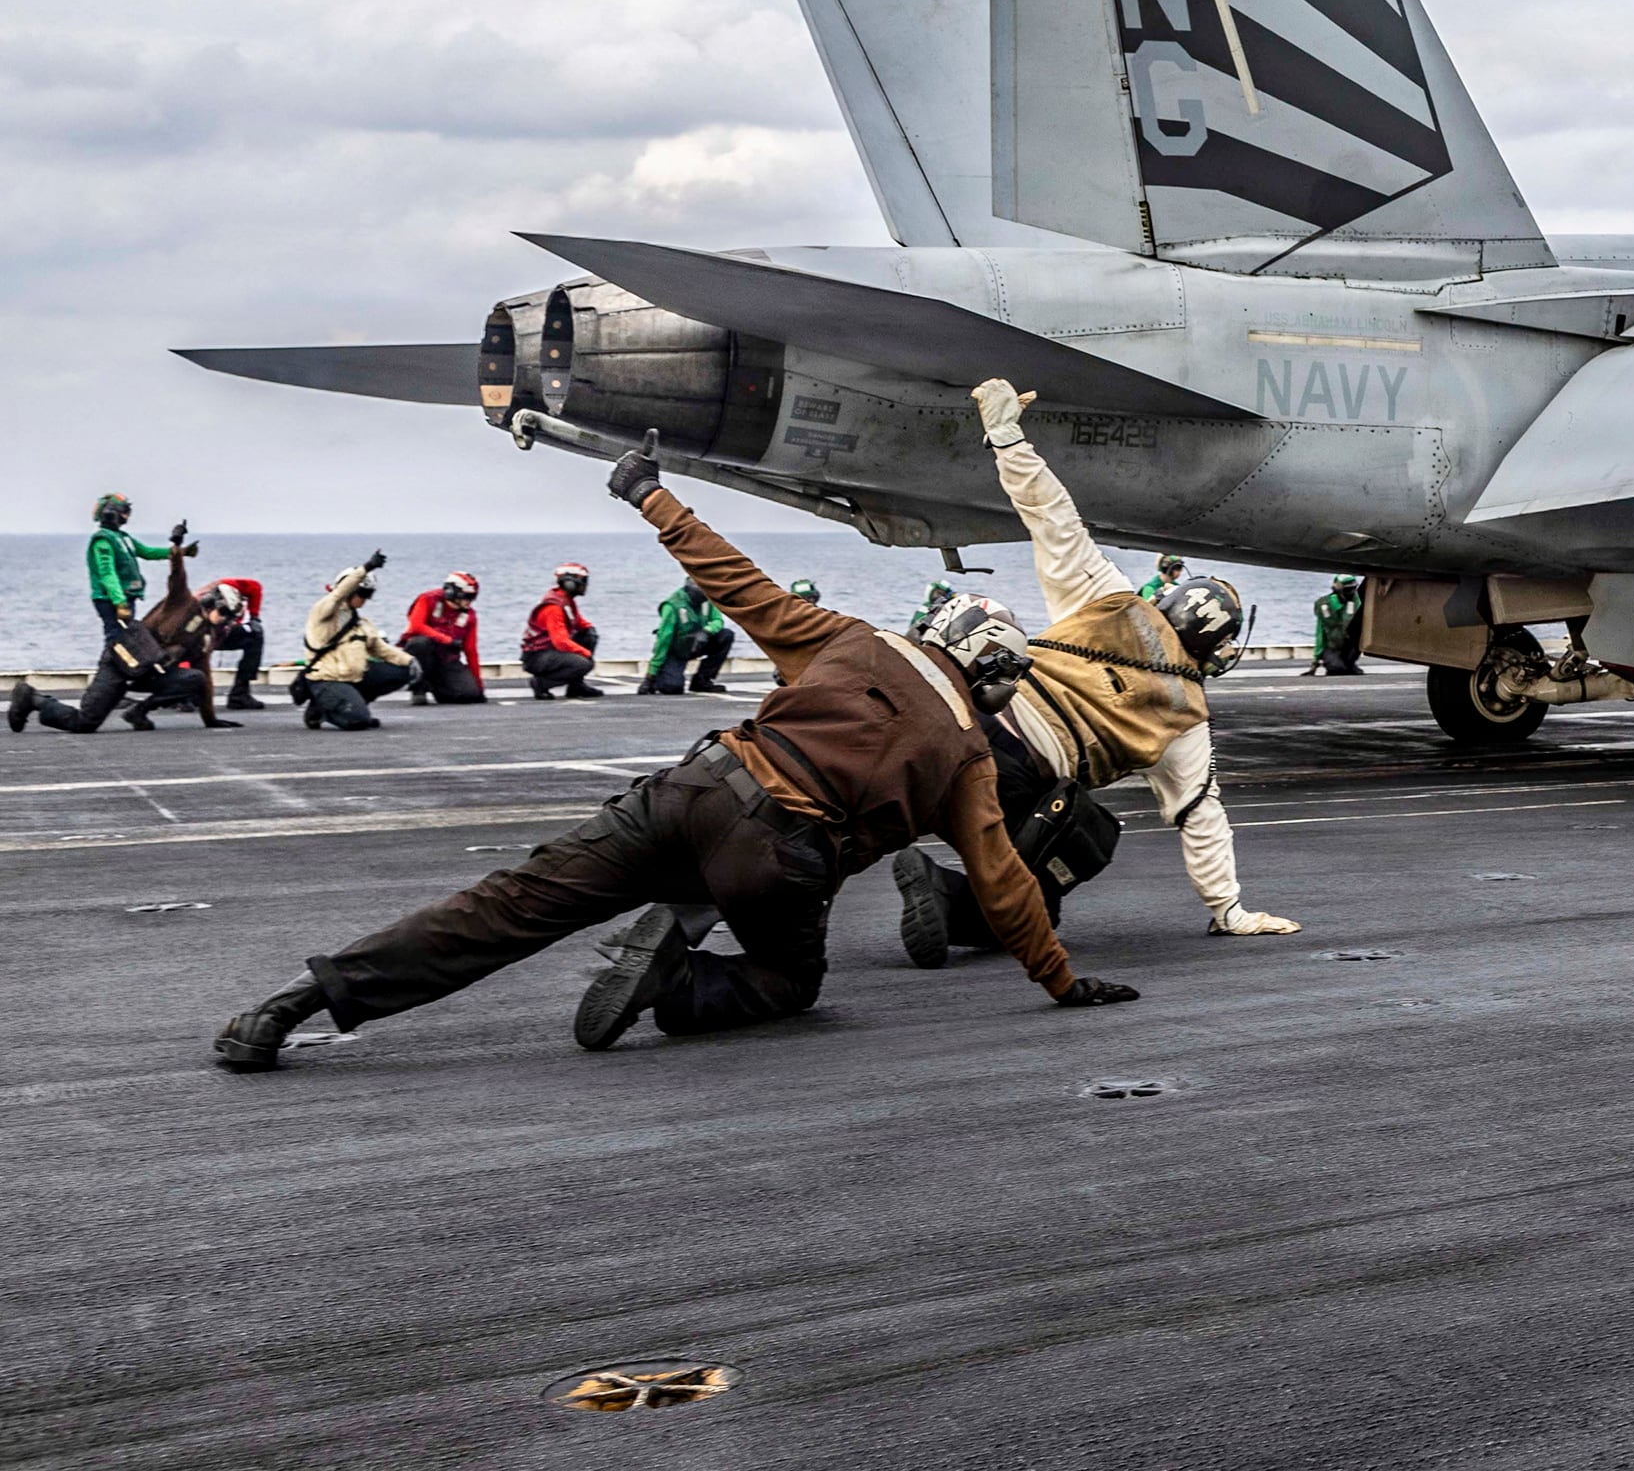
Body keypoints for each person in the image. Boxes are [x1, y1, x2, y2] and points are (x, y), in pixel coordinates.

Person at [211, 438, 1138, 1072]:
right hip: (780, 855)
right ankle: (681, 976)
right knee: (789, 981)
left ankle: (288, 1006)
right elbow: (1004, 883)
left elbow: (737, 583)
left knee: (505, 905)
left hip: (692, 788)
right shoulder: (970, 753)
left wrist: (651, 494)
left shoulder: (854, 639)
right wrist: (1061, 981)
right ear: (992, 677)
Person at [891, 377, 1301, 963]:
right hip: (1018, 777)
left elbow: (1051, 514)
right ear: (1215, 646)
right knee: (1079, 849)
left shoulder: (1110, 598)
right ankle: (950, 898)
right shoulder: (1187, 717)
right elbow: (1201, 815)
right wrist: (1228, 909)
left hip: (967, 715)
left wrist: (1005, 436)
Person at [12, 547, 242, 734]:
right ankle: (32, 698)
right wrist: (176, 548)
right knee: (85, 723)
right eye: (225, 613)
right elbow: (177, 576)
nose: (226, 621)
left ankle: (138, 712)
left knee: (196, 678)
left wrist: (210, 719)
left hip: (147, 673)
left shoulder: (205, 638)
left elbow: (204, 677)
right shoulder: (182, 602)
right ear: (212, 602)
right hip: (120, 661)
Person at [296, 555, 417, 732]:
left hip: (352, 678)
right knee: (358, 722)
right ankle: (322, 709)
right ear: (350, 590)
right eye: (363, 594)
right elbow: (338, 594)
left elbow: (381, 649)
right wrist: (366, 568)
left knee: (402, 672)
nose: (365, 599)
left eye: (369, 595)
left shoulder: (360, 624)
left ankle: (354, 705)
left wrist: (410, 661)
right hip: (327, 680)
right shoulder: (323, 613)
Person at [85, 493, 187, 646]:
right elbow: (107, 573)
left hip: (125, 597)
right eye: (124, 511)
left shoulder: (123, 537)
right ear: (111, 513)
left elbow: (147, 552)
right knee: (116, 640)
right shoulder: (103, 541)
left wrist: (180, 552)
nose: (127, 516)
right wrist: (119, 601)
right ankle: (109, 662)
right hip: (110, 600)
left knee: (126, 640)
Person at [520, 563, 604, 700]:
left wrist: (589, 630)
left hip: (549, 651)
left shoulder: (566, 601)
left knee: (589, 635)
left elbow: (578, 622)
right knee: (583, 664)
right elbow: (560, 641)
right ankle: (541, 684)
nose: (585, 585)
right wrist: (586, 653)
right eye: (583, 581)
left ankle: (576, 686)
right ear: (570, 584)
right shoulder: (554, 608)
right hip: (538, 656)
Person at [400, 572, 486, 705]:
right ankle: (418, 688)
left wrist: (479, 685)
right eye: (466, 597)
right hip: (423, 655)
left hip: (447, 659)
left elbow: (471, 650)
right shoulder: (427, 599)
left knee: (469, 694)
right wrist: (446, 640)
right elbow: (416, 626)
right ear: (452, 593)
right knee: (420, 643)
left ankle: (439, 688)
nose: (469, 601)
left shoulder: (470, 616)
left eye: (472, 597)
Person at [642, 579, 734, 696]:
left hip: (698, 643)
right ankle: (658, 679)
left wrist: (706, 632)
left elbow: (718, 620)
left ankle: (702, 680)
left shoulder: (707, 599)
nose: (706, 598)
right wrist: (650, 676)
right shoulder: (672, 606)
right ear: (691, 592)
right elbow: (663, 640)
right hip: (676, 650)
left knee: (726, 635)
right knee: (672, 688)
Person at [210, 576, 268, 710]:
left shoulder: (213, 590)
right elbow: (255, 587)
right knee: (255, 637)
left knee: (191, 648)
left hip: (208, 634)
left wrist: (253, 616)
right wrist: (254, 617)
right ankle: (240, 693)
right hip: (209, 633)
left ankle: (184, 695)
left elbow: (254, 587)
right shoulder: (231, 589)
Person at [1308, 575, 1365, 675]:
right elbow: (1320, 633)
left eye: (1354, 589)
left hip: (1350, 647)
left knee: (1347, 663)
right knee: (1336, 668)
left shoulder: (1356, 603)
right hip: (1332, 647)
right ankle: (1343, 665)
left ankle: (1349, 664)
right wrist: (1316, 660)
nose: (1352, 592)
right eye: (1348, 590)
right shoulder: (1324, 605)